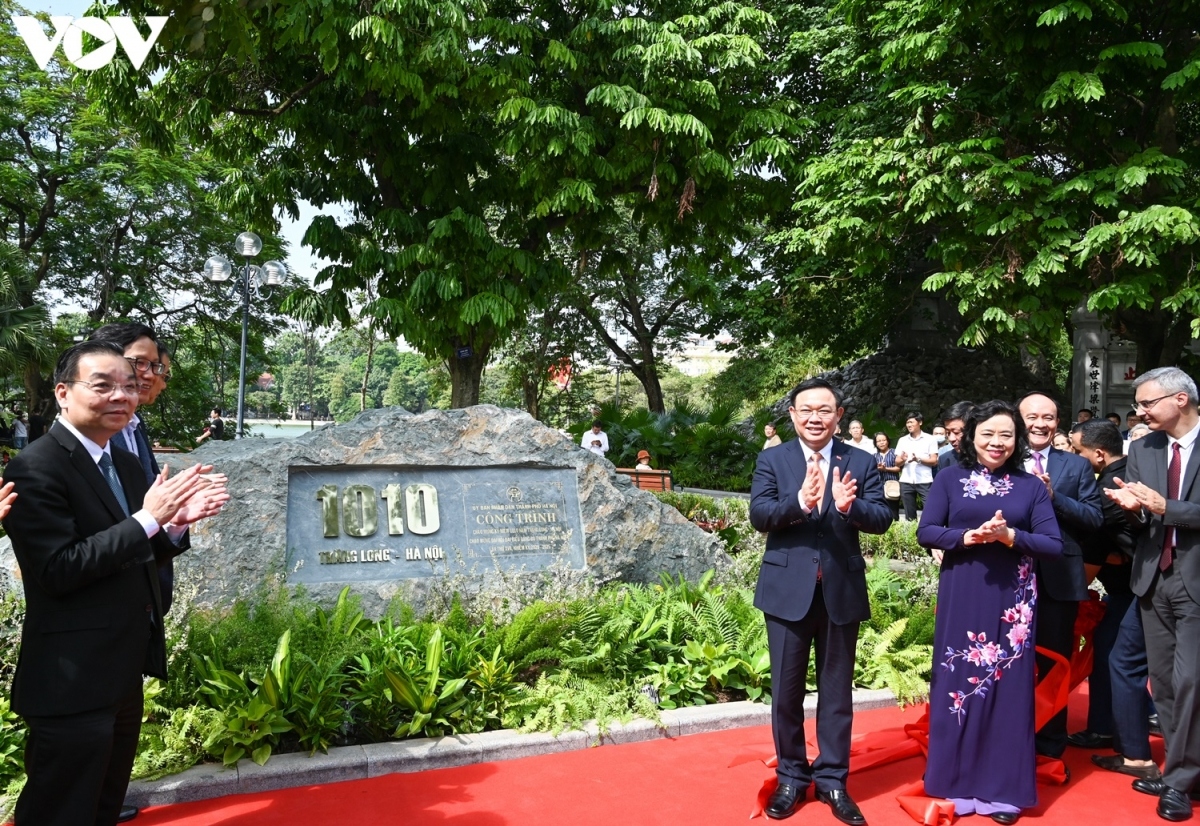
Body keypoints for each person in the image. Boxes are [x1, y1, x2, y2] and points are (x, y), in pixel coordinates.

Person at [0, 340, 228, 826]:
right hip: (71, 676)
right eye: (102, 385)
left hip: (123, 666)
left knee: (104, 803)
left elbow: (131, 551)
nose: (122, 396)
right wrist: (149, 517)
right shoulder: (35, 467)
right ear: (63, 393)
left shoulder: (122, 463)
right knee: (59, 808)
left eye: (130, 386)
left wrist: (173, 525)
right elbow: (60, 569)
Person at [750, 377, 893, 824]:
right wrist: (798, 501)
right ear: (792, 415)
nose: (815, 417)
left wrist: (848, 508)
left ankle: (832, 780)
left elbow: (883, 519)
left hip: (839, 593)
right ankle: (791, 776)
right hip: (787, 593)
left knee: (836, 694)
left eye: (824, 410)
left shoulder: (861, 461)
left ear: (839, 416)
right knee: (786, 694)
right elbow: (760, 516)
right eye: (806, 409)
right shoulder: (772, 459)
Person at [917, 400, 1062, 824]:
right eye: (988, 434)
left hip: (1013, 602)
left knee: (1009, 690)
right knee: (958, 682)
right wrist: (969, 537)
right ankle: (956, 782)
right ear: (970, 436)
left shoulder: (1031, 485)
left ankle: (1003, 788)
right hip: (964, 591)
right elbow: (927, 530)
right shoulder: (949, 478)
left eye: (1006, 435)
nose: (997, 443)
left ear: (1016, 441)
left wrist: (1010, 535)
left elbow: (1053, 545)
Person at [1105, 367, 1200, 821]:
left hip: (1195, 579)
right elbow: (1146, 519)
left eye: (1147, 403)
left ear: (1180, 399)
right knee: (1162, 684)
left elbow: (1172, 510)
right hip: (1151, 577)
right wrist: (1136, 511)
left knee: (1191, 683)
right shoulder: (1143, 447)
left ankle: (1181, 780)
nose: (1139, 412)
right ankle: (1184, 771)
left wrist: (1169, 508)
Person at [1066, 421, 1160, 783]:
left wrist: (1074, 592)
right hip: (1132, 585)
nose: (1075, 458)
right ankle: (1107, 728)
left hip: (1136, 589)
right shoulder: (1133, 473)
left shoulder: (1108, 489)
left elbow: (1096, 548)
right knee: (1110, 656)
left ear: (1099, 454)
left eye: (1078, 452)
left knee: (1120, 661)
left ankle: (1129, 745)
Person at [1017, 392, 1103, 764]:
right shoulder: (999, 458)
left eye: (1049, 417)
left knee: (1055, 664)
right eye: (1032, 416)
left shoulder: (1077, 466)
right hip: (1007, 577)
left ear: (1058, 422)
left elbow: (1093, 519)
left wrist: (1053, 497)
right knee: (1010, 661)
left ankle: (1050, 746)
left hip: (1059, 577)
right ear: (1018, 419)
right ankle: (1009, 741)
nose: (1040, 424)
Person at [895, 412, 938, 521]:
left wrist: (918, 459)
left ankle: (929, 531)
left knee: (930, 509)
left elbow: (934, 461)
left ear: (920, 422)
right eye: (907, 422)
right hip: (906, 480)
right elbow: (897, 462)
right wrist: (903, 459)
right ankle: (911, 535)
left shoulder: (930, 439)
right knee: (909, 514)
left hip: (924, 480)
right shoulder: (902, 440)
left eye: (911, 422)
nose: (909, 425)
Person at [938, 402, 975, 471]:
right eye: (947, 433)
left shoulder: (992, 458)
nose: (951, 439)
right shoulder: (945, 460)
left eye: (956, 432)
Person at [873, 432, 901, 520]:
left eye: (884, 440)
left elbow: (898, 468)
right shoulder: (874, 456)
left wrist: (886, 469)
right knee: (880, 511)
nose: (881, 443)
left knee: (893, 511)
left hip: (892, 485)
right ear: (876, 443)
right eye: (879, 441)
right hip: (879, 486)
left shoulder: (895, 453)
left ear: (888, 441)